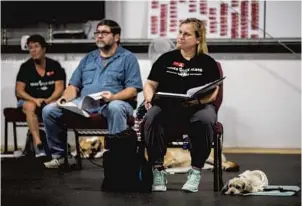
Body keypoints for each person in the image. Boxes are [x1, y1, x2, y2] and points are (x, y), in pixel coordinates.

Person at [42, 19, 143, 168]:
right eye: (97, 33)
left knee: (115, 107)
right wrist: (64, 98)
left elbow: (133, 89)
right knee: (49, 110)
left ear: (116, 37)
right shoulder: (88, 58)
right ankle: (60, 156)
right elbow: (73, 86)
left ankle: (118, 157)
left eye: (104, 33)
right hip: (85, 104)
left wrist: (113, 97)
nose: (99, 36)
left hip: (114, 103)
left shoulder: (128, 58)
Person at [142, 18, 221, 192]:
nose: (181, 37)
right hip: (168, 107)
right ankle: (158, 170)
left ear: (198, 39)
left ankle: (195, 171)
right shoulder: (166, 59)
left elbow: (214, 91)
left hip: (197, 106)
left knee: (206, 118)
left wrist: (199, 101)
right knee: (151, 117)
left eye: (186, 34)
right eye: (180, 32)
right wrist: (149, 98)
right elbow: (150, 84)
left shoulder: (207, 62)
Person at [15, 34, 66, 157]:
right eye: (30, 47)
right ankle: (38, 144)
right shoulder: (25, 67)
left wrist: (47, 101)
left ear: (44, 49)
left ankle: (58, 148)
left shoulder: (54, 65)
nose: (33, 50)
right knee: (29, 106)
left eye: (36, 47)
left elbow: (60, 89)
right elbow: (19, 91)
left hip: (51, 100)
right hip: (29, 101)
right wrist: (35, 100)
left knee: (56, 107)